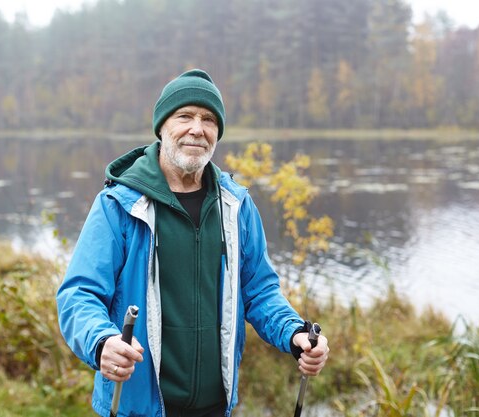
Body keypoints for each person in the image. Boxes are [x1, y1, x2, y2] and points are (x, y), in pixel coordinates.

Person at [56, 68, 329, 417]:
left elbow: (259, 290)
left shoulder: (236, 206)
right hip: (138, 408)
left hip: (215, 407)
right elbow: (79, 293)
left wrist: (294, 333)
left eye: (209, 119)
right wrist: (101, 341)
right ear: (162, 127)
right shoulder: (119, 205)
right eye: (184, 116)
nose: (197, 129)